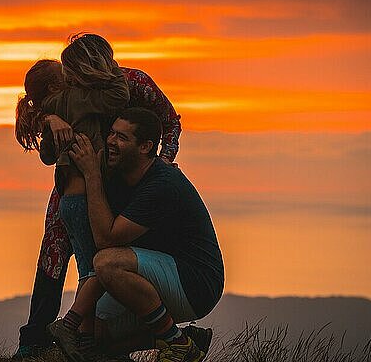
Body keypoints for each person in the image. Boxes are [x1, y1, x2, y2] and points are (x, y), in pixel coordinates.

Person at [15, 35, 184, 359]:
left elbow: (169, 121)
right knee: (54, 250)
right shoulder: (74, 93)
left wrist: (161, 165)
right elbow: (44, 121)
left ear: (85, 70)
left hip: (123, 183)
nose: (68, 80)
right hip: (77, 181)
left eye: (71, 74)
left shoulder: (134, 83)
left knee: (106, 258)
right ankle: (35, 339)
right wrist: (50, 119)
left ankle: (99, 338)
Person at [48, 108, 224, 362]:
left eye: (121, 137)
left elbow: (106, 240)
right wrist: (52, 117)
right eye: (111, 133)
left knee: (107, 263)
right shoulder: (123, 176)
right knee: (95, 334)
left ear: (145, 147)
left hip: (195, 283)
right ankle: (184, 340)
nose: (111, 141)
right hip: (158, 276)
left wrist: (92, 175)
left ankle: (177, 344)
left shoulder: (161, 186)